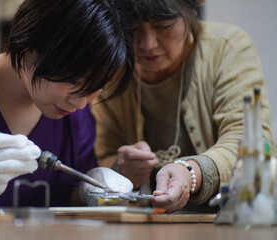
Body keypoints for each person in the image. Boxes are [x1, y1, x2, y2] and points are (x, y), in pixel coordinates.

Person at [0, 0, 134, 210]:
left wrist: (92, 192)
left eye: (94, 89)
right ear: (32, 49)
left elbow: (64, 198)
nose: (79, 103)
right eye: (73, 83)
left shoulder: (76, 117)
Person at [91, 0, 275, 213]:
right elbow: (103, 155)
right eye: (133, 28)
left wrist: (190, 172)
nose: (148, 43)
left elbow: (249, 141)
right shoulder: (115, 68)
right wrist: (120, 170)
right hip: (149, 225)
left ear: (191, 14)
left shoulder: (227, 47)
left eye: (163, 26)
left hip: (230, 219)